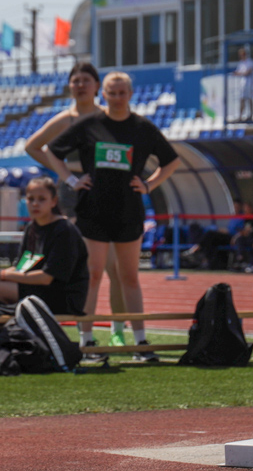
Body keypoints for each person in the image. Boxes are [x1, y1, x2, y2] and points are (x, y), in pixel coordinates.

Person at [42, 71, 181, 361]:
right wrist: (70, 180)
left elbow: (171, 161)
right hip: (93, 210)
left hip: (128, 211)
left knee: (129, 276)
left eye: (122, 92)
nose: (117, 98)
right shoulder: (88, 124)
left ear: (130, 94)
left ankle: (140, 343)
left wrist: (149, 184)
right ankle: (87, 341)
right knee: (92, 275)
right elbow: (52, 150)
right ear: (103, 95)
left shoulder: (142, 128)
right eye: (111, 93)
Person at [25, 61, 132, 346]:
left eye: (86, 80)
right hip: (74, 196)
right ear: (70, 86)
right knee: (87, 268)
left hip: (106, 194)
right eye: (76, 80)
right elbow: (32, 146)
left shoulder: (108, 117)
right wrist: (67, 174)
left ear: (98, 86)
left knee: (115, 268)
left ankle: (118, 329)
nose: (81, 85)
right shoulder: (64, 120)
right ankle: (84, 332)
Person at [0, 176, 90, 315]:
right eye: (30, 199)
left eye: (41, 199)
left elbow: (46, 278)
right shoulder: (31, 228)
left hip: (62, 296)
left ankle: (14, 334)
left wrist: (1, 275)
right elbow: (21, 268)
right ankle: (7, 335)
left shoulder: (64, 230)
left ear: (54, 201)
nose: (35, 204)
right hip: (36, 289)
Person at [235, 46, 253, 122]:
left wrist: (241, 73)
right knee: (242, 99)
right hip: (243, 83)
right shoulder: (241, 63)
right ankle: (240, 115)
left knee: (249, 99)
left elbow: (249, 71)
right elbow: (238, 72)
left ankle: (251, 114)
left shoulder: (249, 62)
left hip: (249, 83)